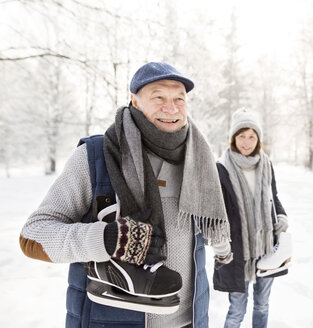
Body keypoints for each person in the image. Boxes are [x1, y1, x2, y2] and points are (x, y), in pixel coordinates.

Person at [19, 62, 231, 328]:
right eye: (159, 97)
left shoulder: (199, 162)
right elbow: (32, 236)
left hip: (189, 322)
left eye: (179, 98)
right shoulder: (96, 157)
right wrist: (105, 239)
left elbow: (207, 231)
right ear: (135, 101)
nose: (172, 108)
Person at [213, 109, 289, 328]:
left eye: (251, 136)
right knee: (237, 310)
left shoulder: (266, 165)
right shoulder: (222, 168)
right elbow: (218, 210)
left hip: (266, 248)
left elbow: (273, 197)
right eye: (241, 136)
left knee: (262, 305)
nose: (246, 142)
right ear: (234, 138)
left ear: (258, 139)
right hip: (238, 250)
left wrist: (282, 216)